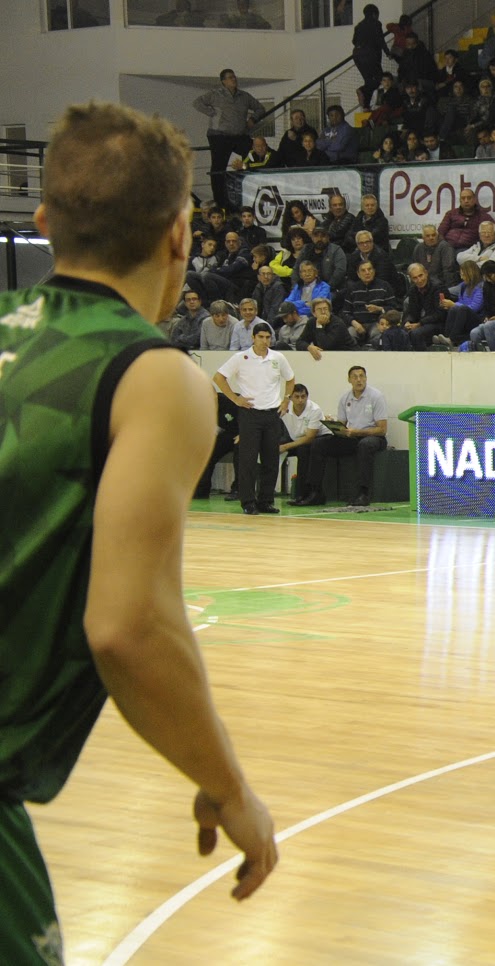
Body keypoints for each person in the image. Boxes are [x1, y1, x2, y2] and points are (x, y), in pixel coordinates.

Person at [0, 104, 278, 962]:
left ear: (45, 225)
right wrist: (225, 783)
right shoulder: (153, 376)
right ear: (181, 237)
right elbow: (128, 626)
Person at [214, 321, 294, 514]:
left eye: (268, 337)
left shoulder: (278, 358)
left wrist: (285, 401)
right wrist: (235, 399)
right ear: (253, 338)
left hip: (272, 414)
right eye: (261, 337)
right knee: (248, 460)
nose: (265, 341)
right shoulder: (241, 358)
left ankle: (266, 500)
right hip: (250, 414)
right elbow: (218, 377)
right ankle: (248, 502)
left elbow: (290, 379)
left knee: (271, 459)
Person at [293, 366, 389, 507]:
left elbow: (382, 429)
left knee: (364, 445)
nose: (359, 380)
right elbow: (343, 425)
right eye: (355, 377)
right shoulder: (345, 398)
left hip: (374, 437)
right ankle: (315, 492)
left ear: (366, 378)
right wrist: (335, 426)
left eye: (362, 376)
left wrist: (357, 432)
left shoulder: (376, 397)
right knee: (318, 444)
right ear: (349, 380)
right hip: (352, 436)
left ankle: (364, 493)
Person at [193, 68, 263, 211]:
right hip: (219, 136)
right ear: (223, 81)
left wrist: (252, 119)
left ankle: (253, 191)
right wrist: (211, 113)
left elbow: (260, 108)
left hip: (239, 135)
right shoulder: (215, 94)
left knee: (253, 156)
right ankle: (221, 202)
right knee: (218, 168)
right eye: (230, 77)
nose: (234, 79)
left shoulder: (244, 96)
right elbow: (197, 102)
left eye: (234, 77)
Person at [280, 382, 329, 495]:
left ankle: (302, 493)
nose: (300, 400)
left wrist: (285, 446)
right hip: (296, 438)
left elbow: (309, 438)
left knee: (303, 450)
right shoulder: (284, 408)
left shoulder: (314, 410)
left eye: (303, 396)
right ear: (291, 397)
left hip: (317, 439)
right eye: (297, 397)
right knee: (269, 447)